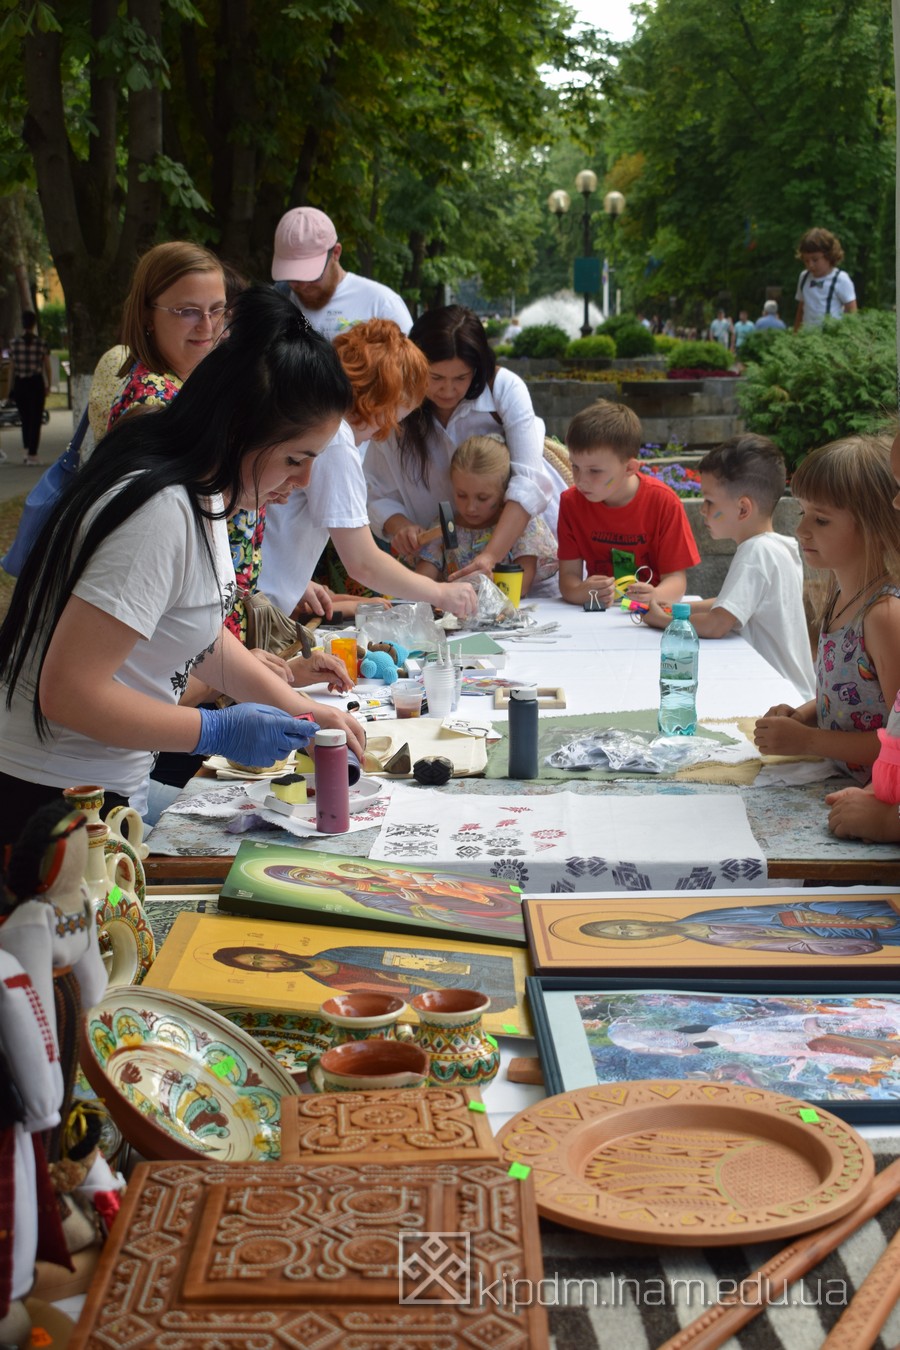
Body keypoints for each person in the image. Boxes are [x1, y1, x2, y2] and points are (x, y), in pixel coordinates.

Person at [0, 286, 365, 847]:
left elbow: (195, 629)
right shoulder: (159, 512)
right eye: (295, 459)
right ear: (238, 428)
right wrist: (213, 730)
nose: (303, 481)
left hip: (103, 786)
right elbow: (68, 691)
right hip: (52, 803)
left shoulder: (204, 492)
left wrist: (298, 708)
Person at [256, 319, 477, 620]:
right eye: (397, 416)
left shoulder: (317, 424)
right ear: (383, 402)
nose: (388, 430)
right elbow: (362, 562)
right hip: (259, 607)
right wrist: (440, 593)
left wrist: (293, 581)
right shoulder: (336, 439)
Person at [365, 305, 562, 578]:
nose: (448, 390)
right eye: (435, 377)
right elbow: (376, 489)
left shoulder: (504, 388)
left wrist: (490, 556)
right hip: (440, 565)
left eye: (461, 378)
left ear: (477, 369)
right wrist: (401, 526)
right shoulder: (397, 403)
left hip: (513, 558)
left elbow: (528, 484)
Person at [753, 435, 900, 783]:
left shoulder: (884, 616)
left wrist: (808, 740)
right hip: (842, 779)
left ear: (876, 526)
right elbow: (845, 697)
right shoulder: (840, 596)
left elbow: (896, 741)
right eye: (802, 513)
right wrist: (803, 716)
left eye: (821, 520)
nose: (801, 530)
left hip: (877, 797)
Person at [640, 435, 815, 700]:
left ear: (743, 508)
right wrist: (677, 608)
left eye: (709, 501)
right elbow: (731, 604)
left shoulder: (755, 553)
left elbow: (717, 624)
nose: (703, 510)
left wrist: (663, 620)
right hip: (791, 692)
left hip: (779, 697)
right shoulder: (777, 547)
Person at [826, 431, 900, 843]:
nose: (895, 504)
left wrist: (889, 821)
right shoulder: (844, 596)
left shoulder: (885, 612)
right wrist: (875, 792)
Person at [557, 399, 699, 608]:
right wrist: (581, 592)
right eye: (575, 466)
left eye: (594, 471)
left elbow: (676, 581)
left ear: (630, 468)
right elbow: (568, 578)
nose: (580, 480)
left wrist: (655, 595)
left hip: (648, 614)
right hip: (598, 613)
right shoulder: (571, 502)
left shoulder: (664, 503)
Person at [415, 434, 558, 595]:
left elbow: (520, 586)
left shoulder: (522, 527)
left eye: (482, 498)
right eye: (461, 495)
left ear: (504, 491)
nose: (470, 508)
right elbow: (422, 580)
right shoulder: (441, 527)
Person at [271, 206, 413, 342]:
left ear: (336, 253)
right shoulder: (280, 299)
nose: (302, 286)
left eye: (311, 275)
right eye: (293, 277)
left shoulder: (382, 305)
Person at [9, 310, 51, 464]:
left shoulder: (14, 344)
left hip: (20, 383)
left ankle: (26, 450)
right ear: (34, 324)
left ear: (23, 324)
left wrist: (10, 388)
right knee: (36, 418)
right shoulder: (41, 343)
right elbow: (47, 366)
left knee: (25, 418)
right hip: (35, 383)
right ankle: (33, 453)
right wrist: (48, 384)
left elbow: (12, 369)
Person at [793, 228, 857, 330]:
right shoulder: (804, 277)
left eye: (815, 260)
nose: (810, 265)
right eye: (806, 261)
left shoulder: (840, 279)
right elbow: (801, 308)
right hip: (807, 336)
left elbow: (852, 312)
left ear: (829, 256)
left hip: (831, 336)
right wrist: (795, 333)